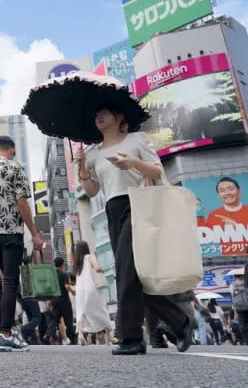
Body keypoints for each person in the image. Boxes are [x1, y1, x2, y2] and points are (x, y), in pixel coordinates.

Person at [79, 104, 194, 355]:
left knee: (126, 271)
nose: (98, 115)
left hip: (137, 204)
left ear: (120, 116)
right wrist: (82, 169)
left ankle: (130, 337)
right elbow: (92, 191)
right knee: (129, 273)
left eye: (105, 112)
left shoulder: (136, 140)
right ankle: (181, 323)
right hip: (112, 209)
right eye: (96, 113)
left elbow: (158, 171)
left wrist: (133, 163)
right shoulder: (93, 153)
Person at [0, 135, 42, 352]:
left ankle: (10, 330)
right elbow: (22, 202)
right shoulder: (16, 168)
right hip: (10, 231)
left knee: (6, 281)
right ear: (12, 150)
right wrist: (34, 234)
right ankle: (5, 333)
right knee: (11, 282)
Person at [72, 242, 112, 345]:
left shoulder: (77, 263)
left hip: (80, 291)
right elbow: (98, 268)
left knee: (82, 312)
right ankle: (109, 336)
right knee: (101, 309)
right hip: (92, 288)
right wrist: (102, 271)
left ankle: (80, 336)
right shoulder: (90, 256)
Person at [48, 257, 76, 345]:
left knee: (54, 320)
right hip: (64, 301)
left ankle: (47, 334)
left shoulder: (51, 275)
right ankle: (72, 339)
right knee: (68, 321)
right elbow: (66, 286)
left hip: (54, 301)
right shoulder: (63, 274)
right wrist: (73, 291)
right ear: (62, 264)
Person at [231, 270, 248, 345]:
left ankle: (245, 340)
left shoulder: (232, 285)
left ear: (234, 276)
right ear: (242, 275)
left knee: (242, 324)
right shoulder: (246, 284)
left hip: (239, 308)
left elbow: (233, 299)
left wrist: (235, 313)